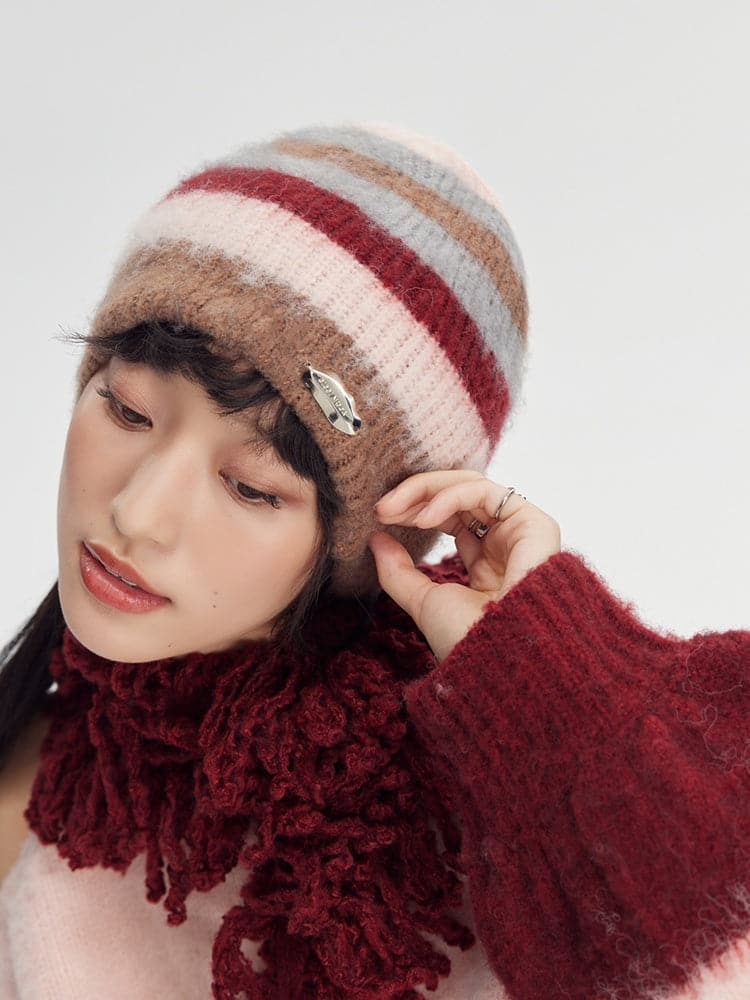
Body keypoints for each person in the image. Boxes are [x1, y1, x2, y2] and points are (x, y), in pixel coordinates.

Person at [0, 122, 748, 1000]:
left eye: (250, 486)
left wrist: (549, 679)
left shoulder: (432, 843)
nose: (137, 512)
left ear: (364, 541)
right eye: (127, 411)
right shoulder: (57, 766)